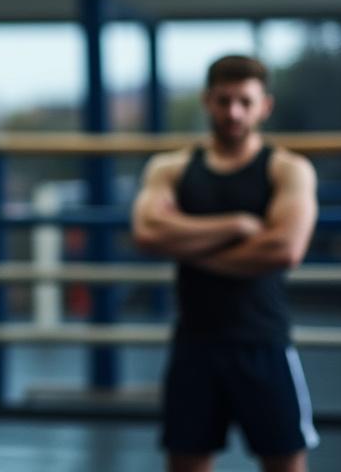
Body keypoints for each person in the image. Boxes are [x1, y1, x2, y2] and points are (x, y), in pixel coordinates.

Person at [132, 55, 320, 472]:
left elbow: (285, 251)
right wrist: (238, 225)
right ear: (207, 101)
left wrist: (184, 241)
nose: (234, 112)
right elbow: (146, 233)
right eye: (223, 101)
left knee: (285, 463)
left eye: (245, 102)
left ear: (264, 106)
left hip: (263, 339)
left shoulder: (287, 169)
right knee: (187, 462)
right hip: (195, 341)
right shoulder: (172, 167)